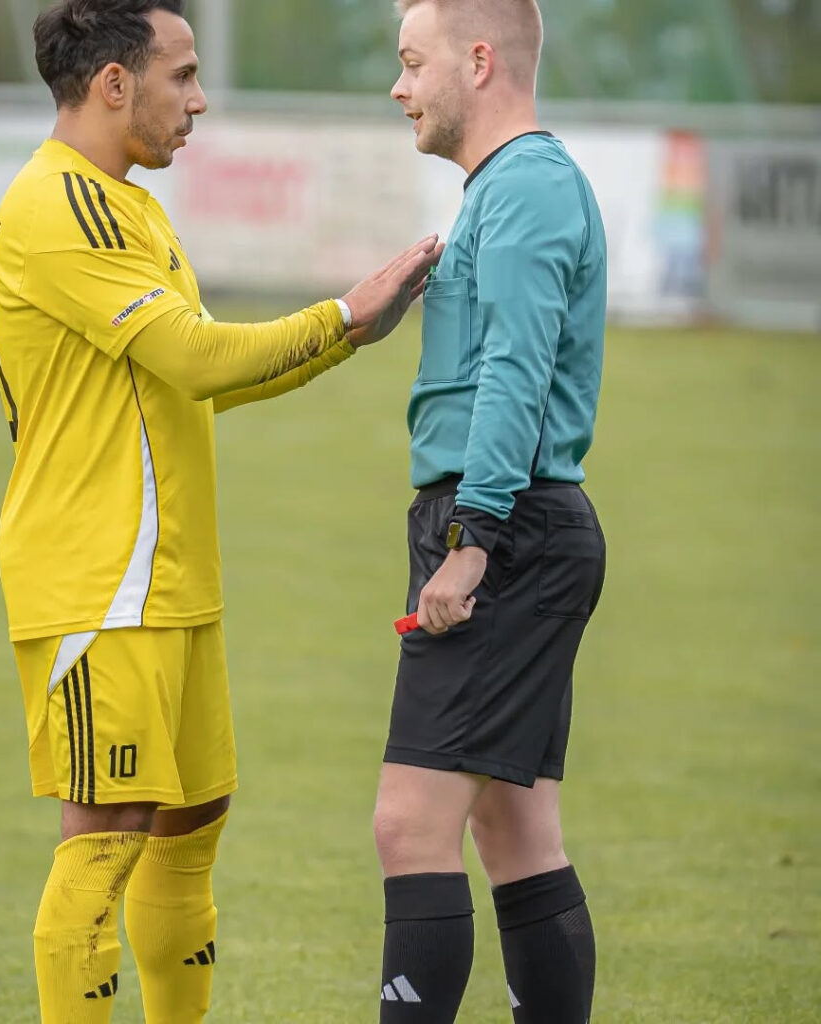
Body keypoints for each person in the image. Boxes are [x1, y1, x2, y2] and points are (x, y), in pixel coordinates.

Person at [0, 2, 440, 1021]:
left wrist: (345, 335)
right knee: (107, 834)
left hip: (171, 578)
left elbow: (185, 387)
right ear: (114, 83)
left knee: (191, 822)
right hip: (99, 579)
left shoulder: (130, 206)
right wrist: (341, 314)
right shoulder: (57, 204)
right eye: (181, 75)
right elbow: (194, 359)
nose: (199, 100)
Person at [373, 1, 608, 1022]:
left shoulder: (527, 185)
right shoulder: (506, 187)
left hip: (502, 532)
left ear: (477, 61)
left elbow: (518, 368)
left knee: (409, 826)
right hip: (512, 525)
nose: (399, 87)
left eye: (411, 62)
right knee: (513, 830)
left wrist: (471, 541)